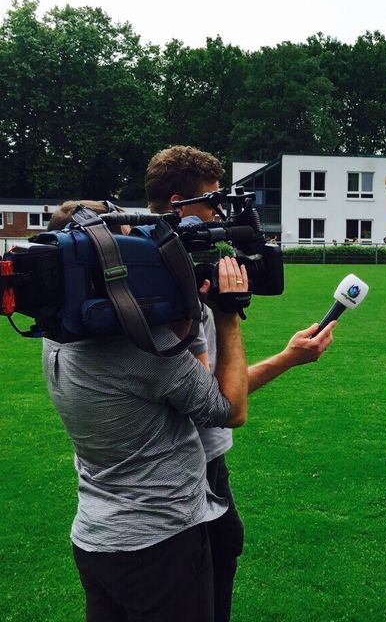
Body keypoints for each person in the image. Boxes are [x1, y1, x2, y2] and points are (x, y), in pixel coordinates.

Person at [145, 145, 336, 622]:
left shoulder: (151, 272)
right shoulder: (172, 289)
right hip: (189, 474)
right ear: (178, 205)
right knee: (209, 580)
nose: (222, 215)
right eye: (213, 202)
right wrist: (237, 325)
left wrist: (287, 357)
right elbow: (221, 404)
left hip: (179, 472)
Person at [43, 193, 251, 620]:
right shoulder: (144, 352)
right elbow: (230, 409)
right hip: (160, 543)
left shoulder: (56, 339)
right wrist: (227, 317)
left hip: (96, 537)